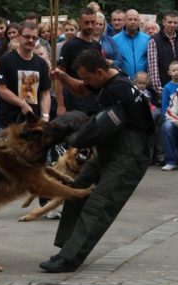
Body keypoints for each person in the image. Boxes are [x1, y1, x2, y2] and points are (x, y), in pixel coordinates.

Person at [41, 50, 154, 272]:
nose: (84, 81)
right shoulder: (112, 76)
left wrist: (74, 140)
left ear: (100, 72)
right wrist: (62, 77)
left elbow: (101, 126)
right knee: (76, 190)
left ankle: (70, 258)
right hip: (111, 145)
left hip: (131, 151)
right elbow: (82, 89)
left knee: (99, 204)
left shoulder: (118, 89)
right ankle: (67, 246)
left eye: (87, 76)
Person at [0, 22, 52, 128]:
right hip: (8, 121)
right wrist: (22, 104)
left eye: (34, 38)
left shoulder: (41, 63)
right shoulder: (6, 59)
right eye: (27, 36)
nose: (31, 40)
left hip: (33, 121)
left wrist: (45, 117)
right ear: (18, 37)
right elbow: (1, 89)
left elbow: (45, 93)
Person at [55, 7, 100, 115]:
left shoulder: (97, 45)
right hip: (74, 101)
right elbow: (59, 76)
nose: (90, 25)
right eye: (86, 22)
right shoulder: (70, 46)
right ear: (79, 22)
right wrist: (60, 105)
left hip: (94, 101)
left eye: (92, 22)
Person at [147, 11, 178, 100]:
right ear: (164, 22)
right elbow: (153, 68)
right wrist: (160, 90)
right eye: (170, 22)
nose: (172, 25)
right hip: (164, 89)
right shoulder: (154, 40)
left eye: (175, 22)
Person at [113, 9, 150, 80]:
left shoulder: (147, 39)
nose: (133, 22)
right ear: (124, 21)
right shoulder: (115, 40)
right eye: (130, 19)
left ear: (139, 21)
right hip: (123, 82)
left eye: (135, 19)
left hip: (143, 83)